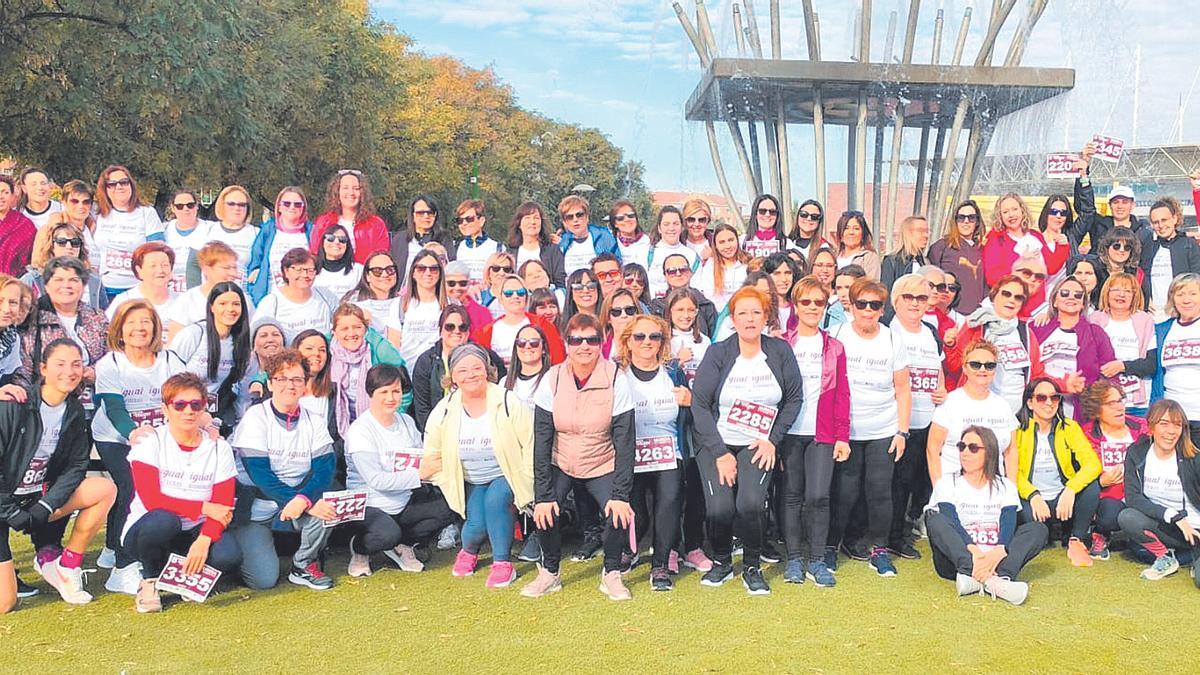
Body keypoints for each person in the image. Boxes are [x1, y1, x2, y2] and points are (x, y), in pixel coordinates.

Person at [691, 287, 802, 594]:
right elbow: (700, 404)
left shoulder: (780, 351)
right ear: (733, 319)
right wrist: (719, 452)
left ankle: (751, 565)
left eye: (756, 312)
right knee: (720, 509)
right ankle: (723, 561)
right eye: (742, 313)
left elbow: (794, 398)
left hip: (759, 444)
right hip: (718, 442)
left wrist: (773, 440)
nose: (750, 319)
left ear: (766, 316)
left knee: (751, 504)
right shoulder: (718, 353)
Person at [521, 313, 637, 600]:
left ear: (601, 343)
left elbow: (625, 441)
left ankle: (611, 573)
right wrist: (543, 496)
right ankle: (550, 572)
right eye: (576, 340)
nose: (584, 346)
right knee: (545, 510)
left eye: (592, 339)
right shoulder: (553, 377)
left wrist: (620, 495)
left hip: (601, 461)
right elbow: (543, 439)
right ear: (566, 342)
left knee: (619, 512)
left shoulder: (616, 378)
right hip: (561, 460)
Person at [0, 339, 117, 611]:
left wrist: (45, 506)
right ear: (43, 368)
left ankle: (66, 566)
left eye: (76, 364)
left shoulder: (74, 410)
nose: (69, 371)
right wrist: (9, 510)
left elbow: (76, 466)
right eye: (60, 364)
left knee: (104, 489)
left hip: (33, 501)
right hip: (3, 503)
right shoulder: (13, 404)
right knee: (5, 603)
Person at [92, 300, 190, 593]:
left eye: (146, 321)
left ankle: (113, 545)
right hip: (116, 436)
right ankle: (122, 566)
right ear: (120, 330)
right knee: (131, 486)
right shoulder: (110, 363)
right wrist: (133, 432)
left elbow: (186, 393)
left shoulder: (170, 360)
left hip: (159, 438)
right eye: (132, 322)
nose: (139, 328)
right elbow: (114, 407)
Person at [123, 372, 240, 613]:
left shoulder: (219, 448)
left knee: (228, 555)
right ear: (165, 409)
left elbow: (224, 504)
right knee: (165, 520)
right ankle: (150, 580)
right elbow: (152, 499)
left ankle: (183, 574)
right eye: (179, 405)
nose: (188, 411)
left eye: (195, 405)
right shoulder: (150, 442)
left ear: (203, 409)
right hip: (149, 529)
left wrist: (204, 540)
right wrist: (203, 508)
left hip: (195, 529)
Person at [422, 345, 533, 588]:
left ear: (487, 370)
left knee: (496, 502)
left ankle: (503, 563)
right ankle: (469, 550)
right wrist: (445, 478)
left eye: (476, 368)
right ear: (452, 376)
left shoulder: (507, 400)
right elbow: (432, 452)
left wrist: (526, 478)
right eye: (462, 370)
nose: (470, 374)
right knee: (476, 525)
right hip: (470, 478)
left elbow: (529, 443)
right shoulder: (444, 409)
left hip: (506, 473)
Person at [229, 350, 337, 590]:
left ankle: (303, 565)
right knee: (264, 580)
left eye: (297, 379)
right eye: (281, 379)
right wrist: (300, 501)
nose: (290, 385)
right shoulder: (256, 417)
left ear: (305, 384)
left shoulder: (314, 419)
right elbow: (260, 475)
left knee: (327, 509)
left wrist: (305, 499)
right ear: (270, 383)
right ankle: (243, 553)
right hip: (257, 509)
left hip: (295, 503)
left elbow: (325, 468)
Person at [827, 278, 911, 575]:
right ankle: (831, 546)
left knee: (879, 492)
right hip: (845, 430)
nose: (867, 311)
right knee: (845, 492)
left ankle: (879, 548)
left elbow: (902, 388)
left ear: (882, 309)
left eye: (874, 305)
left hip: (883, 428)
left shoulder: (891, 339)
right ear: (850, 305)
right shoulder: (836, 334)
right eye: (861, 304)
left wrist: (902, 431)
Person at [344, 364, 452, 577]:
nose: (391, 397)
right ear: (370, 394)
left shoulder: (406, 421)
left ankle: (402, 544)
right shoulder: (360, 430)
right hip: (370, 503)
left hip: (403, 499)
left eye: (396, 391)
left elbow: (421, 456)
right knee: (386, 534)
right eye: (383, 392)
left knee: (448, 508)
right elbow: (376, 480)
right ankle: (359, 548)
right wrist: (419, 474)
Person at [925, 426, 1047, 605]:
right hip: (959, 559)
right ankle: (990, 581)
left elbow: (1008, 522)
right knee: (935, 520)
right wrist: (974, 551)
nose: (965, 453)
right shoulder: (947, 483)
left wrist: (999, 551)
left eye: (973, 448)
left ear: (989, 452)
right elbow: (951, 519)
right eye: (961, 446)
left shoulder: (1005, 486)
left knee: (1038, 529)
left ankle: (989, 577)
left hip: (996, 558)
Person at [613, 313, 691, 591]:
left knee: (668, 503)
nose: (647, 342)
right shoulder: (616, 374)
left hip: (669, 451)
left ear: (662, 342)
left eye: (654, 336)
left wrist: (690, 401)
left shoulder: (672, 372)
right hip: (629, 455)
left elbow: (695, 407)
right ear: (628, 342)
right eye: (640, 336)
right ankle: (629, 550)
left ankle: (660, 563)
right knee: (638, 516)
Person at [779, 277, 848, 587]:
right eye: (805, 302)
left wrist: (842, 436)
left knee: (819, 495)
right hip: (788, 432)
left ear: (825, 306)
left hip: (822, 433)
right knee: (791, 496)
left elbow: (842, 393)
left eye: (818, 302)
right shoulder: (781, 343)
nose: (811, 308)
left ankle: (817, 560)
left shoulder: (835, 347)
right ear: (796, 304)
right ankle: (794, 559)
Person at [887, 274, 947, 559]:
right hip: (900, 421)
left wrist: (943, 388)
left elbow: (939, 368)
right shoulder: (889, 331)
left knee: (920, 480)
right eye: (908, 297)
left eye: (921, 298)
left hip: (929, 418)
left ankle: (909, 525)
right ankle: (893, 536)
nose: (915, 303)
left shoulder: (931, 331)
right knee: (898, 482)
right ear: (895, 301)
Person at [1014, 376, 1102, 567]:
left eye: (1054, 398)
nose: (1048, 403)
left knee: (1092, 487)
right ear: (1029, 403)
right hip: (1032, 499)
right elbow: (1011, 472)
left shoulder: (1069, 427)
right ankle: (1048, 531)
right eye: (1041, 398)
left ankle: (1076, 539)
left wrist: (1070, 489)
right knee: (1037, 531)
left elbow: (1093, 464)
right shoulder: (1016, 429)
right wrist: (1033, 495)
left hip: (1063, 498)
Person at [13, 258, 109, 418]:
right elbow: (22, 370)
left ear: (83, 285)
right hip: (42, 409)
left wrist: (93, 372)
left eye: (74, 280)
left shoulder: (97, 317)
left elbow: (113, 356)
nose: (66, 285)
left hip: (93, 408)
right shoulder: (31, 320)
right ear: (47, 285)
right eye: (58, 279)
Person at [1117, 399, 1200, 582]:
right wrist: (1173, 515)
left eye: (1177, 425)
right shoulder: (1137, 452)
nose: (1171, 431)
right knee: (1128, 516)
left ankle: (1190, 557)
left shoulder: (1193, 456)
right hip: (1170, 527)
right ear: (1150, 427)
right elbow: (1133, 498)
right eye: (1164, 424)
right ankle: (1166, 558)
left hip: (1196, 529)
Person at [928, 340, 1020, 484]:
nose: (982, 370)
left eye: (989, 365)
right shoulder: (950, 403)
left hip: (995, 493)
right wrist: (940, 492)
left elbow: (1011, 451)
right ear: (965, 368)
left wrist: (1011, 490)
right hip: (954, 491)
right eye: (975, 365)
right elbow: (932, 450)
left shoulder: (1003, 406)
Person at [167, 282, 251, 432]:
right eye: (223, 303)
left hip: (217, 410)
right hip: (184, 409)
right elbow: (168, 372)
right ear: (212, 307)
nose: (230, 309)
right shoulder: (194, 334)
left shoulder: (240, 342)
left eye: (236, 304)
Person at [1079, 380, 1148, 560]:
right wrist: (1100, 482)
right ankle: (1101, 533)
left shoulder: (1143, 428)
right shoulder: (1085, 435)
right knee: (1108, 516)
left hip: (1141, 493)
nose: (1119, 407)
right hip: (1108, 498)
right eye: (1111, 403)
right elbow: (1076, 474)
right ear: (1096, 410)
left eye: (1120, 401)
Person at [1031, 276, 1116, 419]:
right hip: (1041, 405)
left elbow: (1109, 373)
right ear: (1054, 301)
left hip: (1081, 410)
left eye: (1078, 295)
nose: (1071, 297)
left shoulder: (1095, 332)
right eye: (1064, 293)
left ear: (1083, 303)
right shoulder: (1037, 328)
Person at [412, 305, 507, 432]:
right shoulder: (426, 362)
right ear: (440, 331)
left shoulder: (487, 357)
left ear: (468, 332)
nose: (456, 331)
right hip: (441, 429)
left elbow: (501, 390)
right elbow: (422, 408)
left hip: (481, 429)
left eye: (462, 327)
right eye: (450, 327)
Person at [326, 303, 409, 438]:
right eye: (344, 329)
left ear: (366, 329)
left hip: (377, 424)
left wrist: (394, 414)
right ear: (334, 332)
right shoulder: (326, 350)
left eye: (357, 327)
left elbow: (405, 388)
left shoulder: (381, 350)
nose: (351, 333)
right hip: (338, 425)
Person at [91, 166, 164, 299]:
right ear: (105, 189)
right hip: (104, 289)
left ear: (131, 185)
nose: (119, 187)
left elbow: (158, 250)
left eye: (124, 182)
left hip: (137, 288)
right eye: (112, 184)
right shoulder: (97, 214)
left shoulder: (146, 212)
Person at [1091, 273, 1156, 416]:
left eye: (1128, 291)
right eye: (1116, 290)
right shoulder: (1094, 319)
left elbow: (1151, 364)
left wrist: (1123, 366)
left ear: (1135, 296)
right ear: (1107, 293)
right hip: (1103, 402)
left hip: (1136, 403)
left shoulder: (1145, 321)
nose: (1122, 295)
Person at [1151, 273, 1200, 447]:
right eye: (1180, 294)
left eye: (1193, 294)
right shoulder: (1162, 330)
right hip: (1173, 420)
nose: (1186, 300)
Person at [1071, 143, 1151, 248]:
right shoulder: (1098, 225)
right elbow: (1084, 208)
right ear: (1110, 205)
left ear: (1132, 205)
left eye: (1125, 202)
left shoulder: (1143, 232)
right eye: (1116, 202)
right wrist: (1083, 174)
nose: (1120, 206)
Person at [250, 248, 339, 344]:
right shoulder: (271, 302)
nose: (305, 275)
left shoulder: (325, 296)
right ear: (286, 271)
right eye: (299, 270)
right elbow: (257, 335)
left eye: (310, 270)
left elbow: (343, 321)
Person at [245, 186, 314, 304]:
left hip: (303, 296)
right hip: (271, 296)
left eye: (297, 204)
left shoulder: (311, 231)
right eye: (287, 203)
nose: (292, 207)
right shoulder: (268, 229)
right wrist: (257, 272)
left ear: (303, 208)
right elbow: (256, 257)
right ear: (279, 207)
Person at [479, 275, 565, 368]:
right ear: (500, 298)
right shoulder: (487, 331)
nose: (515, 296)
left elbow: (558, 363)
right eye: (508, 293)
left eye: (520, 292)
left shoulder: (543, 325)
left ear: (526, 297)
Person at [309, 170, 389, 264]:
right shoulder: (324, 222)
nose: (351, 192)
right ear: (337, 192)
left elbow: (381, 258)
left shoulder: (376, 224)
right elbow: (314, 254)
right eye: (345, 188)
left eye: (356, 188)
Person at [165, 241, 244, 336]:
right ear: (206, 269)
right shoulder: (187, 301)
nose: (233, 273)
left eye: (235, 268)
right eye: (226, 268)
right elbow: (174, 342)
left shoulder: (243, 299)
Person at [21, 221, 106, 308]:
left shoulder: (94, 280)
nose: (69, 246)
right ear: (52, 247)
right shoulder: (31, 280)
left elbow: (103, 315)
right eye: (61, 242)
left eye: (75, 242)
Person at [1141, 196, 1200, 319]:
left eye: (1164, 220)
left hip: (1182, 311)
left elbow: (1196, 277)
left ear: (1174, 219)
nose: (1161, 225)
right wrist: (1146, 299)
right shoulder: (1148, 246)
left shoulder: (1188, 245)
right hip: (1155, 313)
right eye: (1156, 222)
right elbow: (1142, 274)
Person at [189, 185, 259, 286]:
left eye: (242, 205)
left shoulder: (256, 233)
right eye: (231, 204)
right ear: (222, 205)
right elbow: (193, 265)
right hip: (210, 295)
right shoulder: (206, 230)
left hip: (243, 295)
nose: (237, 208)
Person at [105, 243, 177, 340]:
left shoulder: (183, 301)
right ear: (139, 270)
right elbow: (110, 335)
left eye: (165, 265)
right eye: (153, 266)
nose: (160, 270)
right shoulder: (124, 300)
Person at [981, 194, 1053, 290]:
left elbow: (1051, 267)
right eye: (1005, 212)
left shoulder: (1036, 236)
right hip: (1013, 298)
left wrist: (1063, 246)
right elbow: (992, 278)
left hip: (1039, 299)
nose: (1011, 215)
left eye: (1015, 209)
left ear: (1022, 210)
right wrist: (1021, 262)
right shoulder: (996, 239)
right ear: (1000, 216)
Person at [929, 200, 987, 314]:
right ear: (955, 221)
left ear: (977, 222)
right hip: (951, 314)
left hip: (977, 315)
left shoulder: (983, 250)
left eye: (971, 217)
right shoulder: (942, 246)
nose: (966, 221)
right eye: (961, 217)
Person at [389, 195, 455, 287]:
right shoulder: (400, 240)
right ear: (413, 215)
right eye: (420, 213)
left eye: (430, 213)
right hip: (404, 293)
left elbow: (451, 268)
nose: (426, 216)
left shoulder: (444, 239)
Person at [396, 250, 447, 366]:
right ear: (413, 273)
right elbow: (394, 346)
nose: (428, 273)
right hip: (408, 371)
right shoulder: (399, 305)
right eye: (421, 268)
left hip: (439, 372)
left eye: (434, 269)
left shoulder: (451, 303)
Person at [344, 251, 403, 343]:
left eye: (390, 270)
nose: (384, 275)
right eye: (377, 271)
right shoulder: (352, 303)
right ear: (367, 276)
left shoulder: (405, 303)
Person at [162, 190, 215, 293]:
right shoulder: (164, 229)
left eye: (190, 205)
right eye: (180, 206)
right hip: (169, 288)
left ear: (197, 206)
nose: (185, 209)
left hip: (200, 287)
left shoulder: (211, 228)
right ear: (173, 208)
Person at [880, 216, 931, 319]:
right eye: (920, 231)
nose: (926, 235)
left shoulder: (926, 263)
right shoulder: (891, 261)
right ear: (908, 233)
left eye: (927, 231)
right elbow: (887, 298)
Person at [507, 201, 566, 288]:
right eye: (527, 218)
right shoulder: (510, 252)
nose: (532, 222)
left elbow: (560, 281)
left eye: (536, 218)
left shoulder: (552, 250)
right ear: (519, 223)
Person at [557, 195, 620, 277]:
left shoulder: (604, 237)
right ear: (564, 222)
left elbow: (618, 265)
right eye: (570, 217)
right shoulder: (561, 243)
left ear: (587, 217)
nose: (575, 220)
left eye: (579, 215)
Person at [647, 206, 700, 299]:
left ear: (682, 227)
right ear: (659, 228)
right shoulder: (647, 253)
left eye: (676, 224)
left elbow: (696, 288)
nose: (671, 228)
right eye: (666, 224)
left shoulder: (692, 256)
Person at [695, 224, 749, 313]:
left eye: (731, 240)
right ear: (715, 245)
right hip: (719, 316)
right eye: (722, 242)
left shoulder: (747, 264)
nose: (727, 246)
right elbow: (710, 296)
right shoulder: (710, 266)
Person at [666, 287, 710, 388]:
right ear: (670, 311)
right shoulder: (662, 340)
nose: (686, 315)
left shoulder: (704, 340)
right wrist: (678, 361)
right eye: (680, 310)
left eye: (691, 310)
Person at [452, 199, 501, 282]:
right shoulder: (455, 248)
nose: (464, 223)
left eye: (469, 219)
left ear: (481, 221)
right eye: (460, 220)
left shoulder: (497, 248)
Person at [504, 324, 552, 408]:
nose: (527, 346)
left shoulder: (553, 379)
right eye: (521, 342)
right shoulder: (503, 382)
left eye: (534, 342)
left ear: (544, 348)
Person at [311, 223, 363, 301]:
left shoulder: (358, 271)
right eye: (330, 238)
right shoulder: (311, 270)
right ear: (322, 242)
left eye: (342, 239)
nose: (336, 242)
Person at [1036, 195, 1076, 290]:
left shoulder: (1072, 238)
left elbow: (1087, 214)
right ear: (1046, 213)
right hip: (1040, 295)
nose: (1058, 216)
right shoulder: (1035, 240)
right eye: (1053, 212)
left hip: (1064, 295)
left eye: (1063, 213)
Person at [0, 175, 36, 277]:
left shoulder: (24, 225)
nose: (1, 196)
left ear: (12, 196)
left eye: (5, 192)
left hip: (15, 284)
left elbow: (32, 259)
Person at [833, 211, 881, 281]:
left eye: (856, 228)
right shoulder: (833, 256)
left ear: (863, 233)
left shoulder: (869, 258)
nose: (851, 232)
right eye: (846, 228)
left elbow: (871, 285)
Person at [742, 194, 786, 259]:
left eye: (772, 212)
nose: (767, 215)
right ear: (755, 214)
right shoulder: (742, 241)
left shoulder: (786, 243)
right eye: (762, 211)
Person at [613, 200, 651, 271]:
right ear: (615, 224)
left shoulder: (648, 242)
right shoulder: (611, 244)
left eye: (631, 215)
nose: (627, 219)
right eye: (620, 218)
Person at [477, 251, 516, 319]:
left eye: (506, 269)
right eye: (496, 269)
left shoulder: (518, 296)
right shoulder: (479, 296)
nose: (501, 273)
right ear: (488, 272)